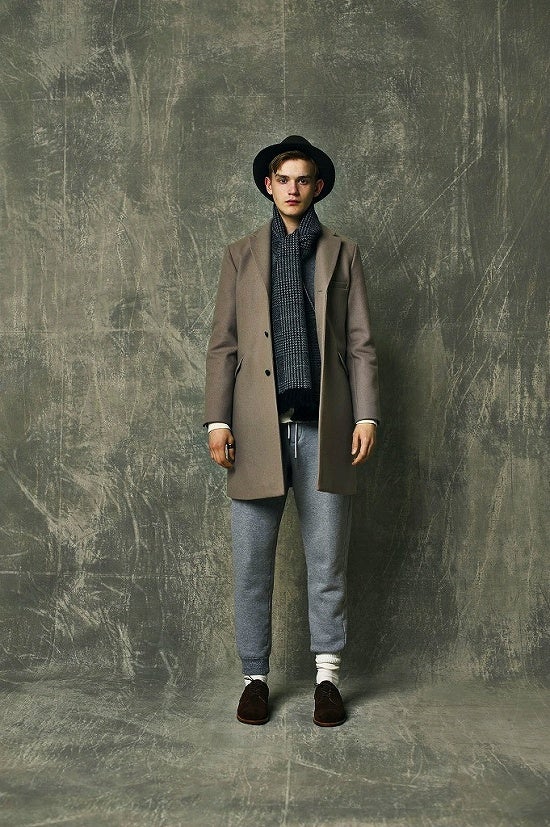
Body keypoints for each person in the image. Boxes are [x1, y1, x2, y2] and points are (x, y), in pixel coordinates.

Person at [204, 135, 380, 726]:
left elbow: (360, 343)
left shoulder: (343, 253)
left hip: (325, 429)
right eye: (283, 179)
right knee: (253, 565)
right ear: (268, 185)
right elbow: (224, 344)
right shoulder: (240, 255)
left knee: (327, 563)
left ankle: (327, 680)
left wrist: (366, 415)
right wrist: (219, 419)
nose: (293, 189)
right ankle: (254, 679)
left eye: (303, 180)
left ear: (318, 187)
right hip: (256, 431)